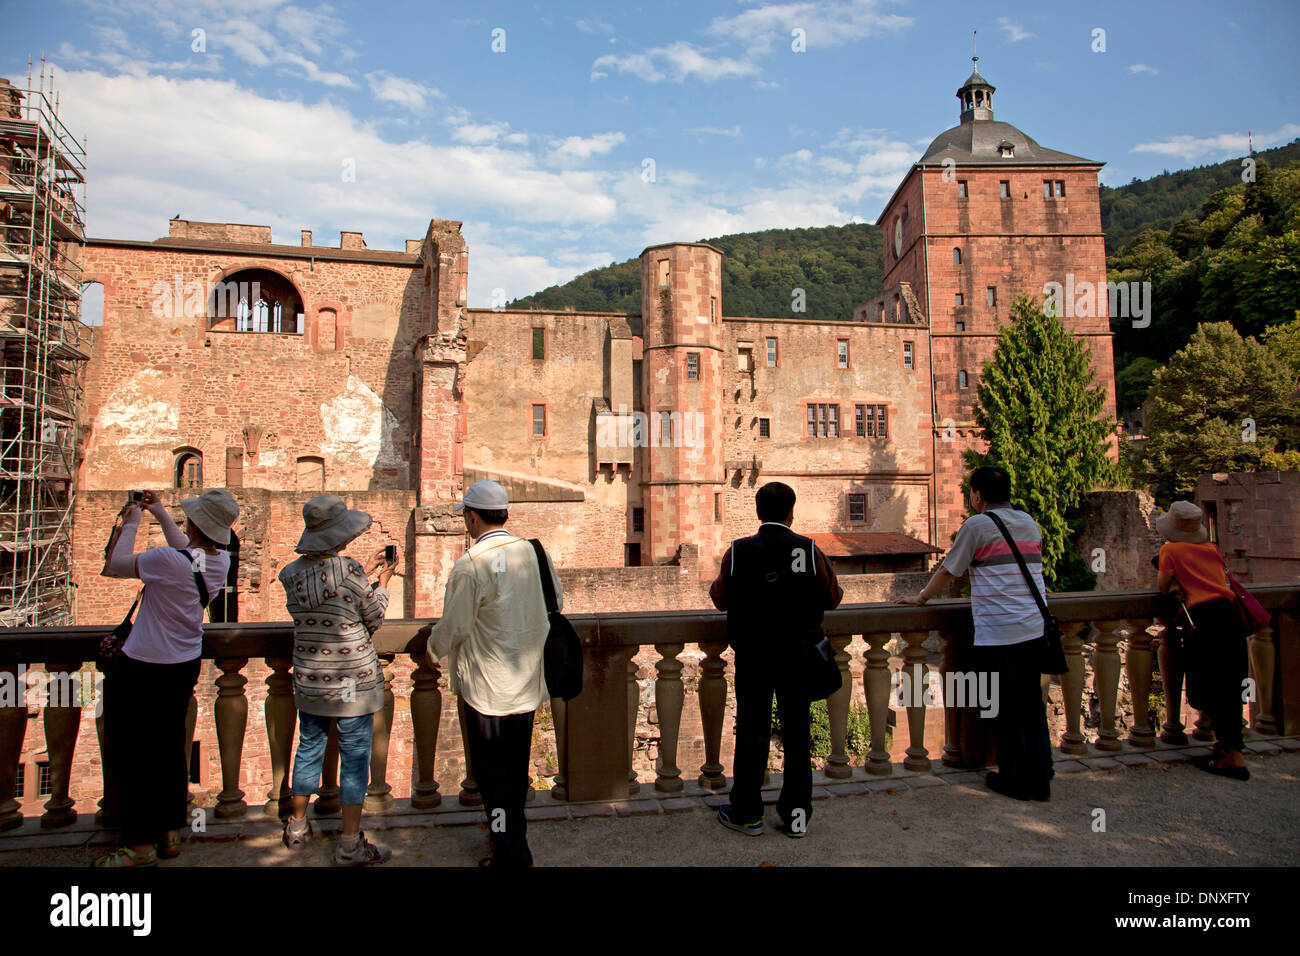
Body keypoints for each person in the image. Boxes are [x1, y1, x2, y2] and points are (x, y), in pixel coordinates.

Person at [97, 488, 238, 866]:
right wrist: (161, 513)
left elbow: (116, 564)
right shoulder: (220, 561)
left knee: (136, 756)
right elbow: (187, 556)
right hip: (184, 663)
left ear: (193, 523)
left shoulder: (165, 561)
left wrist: (133, 521)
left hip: (144, 666)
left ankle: (140, 846)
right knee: (170, 750)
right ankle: (171, 832)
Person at [427, 479, 561, 867]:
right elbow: (558, 600)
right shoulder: (535, 554)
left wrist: (431, 650)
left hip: (487, 692)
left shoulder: (471, 564)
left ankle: (510, 850)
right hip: (526, 684)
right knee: (516, 772)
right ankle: (511, 838)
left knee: (492, 778)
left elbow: (454, 627)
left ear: (471, 516)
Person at [903, 466, 1053, 801]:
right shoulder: (1028, 522)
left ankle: (1014, 776)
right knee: (1031, 703)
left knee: (1005, 707)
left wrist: (921, 597)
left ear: (977, 496)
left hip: (1000, 630)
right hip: (1033, 625)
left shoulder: (978, 525)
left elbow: (949, 569)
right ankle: (1041, 776)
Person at [709, 481, 842, 838]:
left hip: (753, 657)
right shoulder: (809, 550)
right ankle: (796, 818)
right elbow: (833, 597)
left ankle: (747, 814)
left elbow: (719, 598)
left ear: (757, 513)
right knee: (798, 736)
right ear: (791, 512)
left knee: (752, 732)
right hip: (797, 658)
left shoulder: (738, 552)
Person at [279, 495, 396, 865]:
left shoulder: (290, 575)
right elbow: (372, 617)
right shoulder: (349, 571)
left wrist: (364, 570)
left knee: (309, 747)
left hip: (312, 679)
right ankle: (349, 842)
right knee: (355, 756)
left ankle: (297, 827)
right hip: (352, 682)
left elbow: (321, 597)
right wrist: (383, 581)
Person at [1154, 501, 1250, 781]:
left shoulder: (1170, 550)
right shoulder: (1211, 550)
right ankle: (1229, 747)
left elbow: (1163, 586)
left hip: (1204, 620)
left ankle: (1234, 758)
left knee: (1207, 684)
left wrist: (1174, 584)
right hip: (1230, 616)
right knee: (1232, 683)